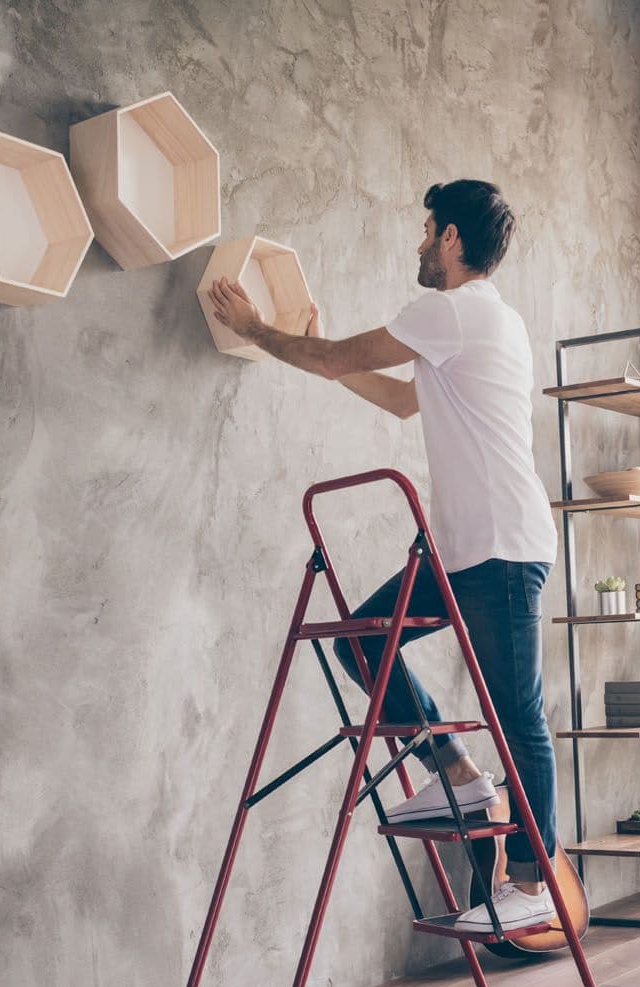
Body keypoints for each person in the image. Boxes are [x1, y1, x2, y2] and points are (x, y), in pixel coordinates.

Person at [206, 179, 561, 934]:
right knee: (367, 644)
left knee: (516, 714)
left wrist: (260, 328)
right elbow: (399, 399)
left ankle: (531, 880)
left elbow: (338, 359)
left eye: (429, 231)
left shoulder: (454, 309)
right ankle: (461, 777)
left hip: (497, 547)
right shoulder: (475, 322)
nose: (420, 245)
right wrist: (305, 350)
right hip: (465, 548)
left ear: (455, 240)